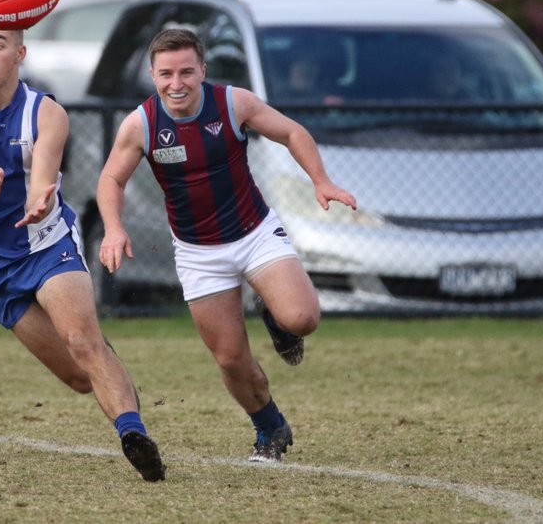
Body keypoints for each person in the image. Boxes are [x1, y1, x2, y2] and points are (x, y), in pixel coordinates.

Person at [96, 28, 356, 463]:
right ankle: (270, 428)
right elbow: (111, 179)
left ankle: (275, 315)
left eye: (185, 72)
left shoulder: (233, 104)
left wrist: (320, 179)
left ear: (202, 70)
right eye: (165, 74)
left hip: (254, 233)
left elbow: (292, 133)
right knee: (231, 359)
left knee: (303, 317)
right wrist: (113, 228)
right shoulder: (141, 124)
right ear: (152, 75)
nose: (176, 83)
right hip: (199, 253)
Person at [0, 9, 166, 482]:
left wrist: (39, 200)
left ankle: (133, 434)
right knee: (80, 377)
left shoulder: (46, 112)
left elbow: (44, 177)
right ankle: (104, 364)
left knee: (83, 341)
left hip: (46, 244)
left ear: (20, 53)